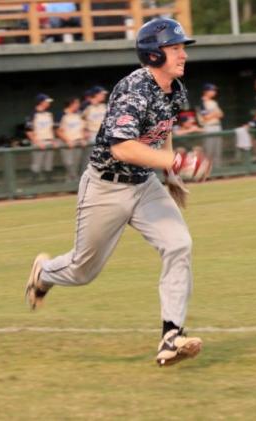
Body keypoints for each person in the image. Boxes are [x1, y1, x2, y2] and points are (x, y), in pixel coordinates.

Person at [24, 17, 203, 367]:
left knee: (179, 243)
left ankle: (171, 336)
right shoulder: (134, 89)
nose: (183, 54)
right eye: (175, 48)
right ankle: (43, 274)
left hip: (144, 185)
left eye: (182, 47)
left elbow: (162, 130)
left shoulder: (175, 89)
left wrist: (170, 175)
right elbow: (122, 148)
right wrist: (177, 161)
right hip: (106, 187)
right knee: (83, 270)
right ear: (153, 55)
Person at [25, 93, 56, 182]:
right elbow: (28, 131)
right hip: (38, 142)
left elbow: (51, 129)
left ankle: (49, 185)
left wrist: (53, 140)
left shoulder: (49, 114)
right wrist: (37, 142)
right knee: (36, 165)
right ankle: (33, 185)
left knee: (48, 164)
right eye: (46, 101)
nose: (48, 103)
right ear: (41, 102)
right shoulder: (32, 114)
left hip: (49, 141)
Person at [56, 97, 86, 182]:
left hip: (77, 141)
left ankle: (70, 183)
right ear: (71, 104)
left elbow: (82, 128)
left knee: (76, 164)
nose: (78, 105)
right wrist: (67, 140)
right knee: (68, 163)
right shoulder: (61, 114)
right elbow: (58, 131)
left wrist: (83, 138)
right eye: (77, 103)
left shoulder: (79, 114)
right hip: (66, 142)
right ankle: (75, 180)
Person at [81, 85, 108, 170]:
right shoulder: (86, 106)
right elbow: (80, 120)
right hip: (92, 134)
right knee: (89, 158)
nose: (104, 95)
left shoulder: (104, 106)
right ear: (96, 94)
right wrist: (84, 131)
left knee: (103, 158)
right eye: (102, 94)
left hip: (104, 134)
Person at [199, 83, 224, 165]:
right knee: (209, 151)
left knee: (218, 150)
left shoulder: (214, 102)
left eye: (214, 90)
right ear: (206, 91)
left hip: (217, 126)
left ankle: (218, 170)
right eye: (212, 90)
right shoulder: (202, 102)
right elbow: (205, 117)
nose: (214, 92)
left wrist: (212, 114)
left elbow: (221, 114)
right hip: (208, 127)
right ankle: (209, 171)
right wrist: (215, 114)